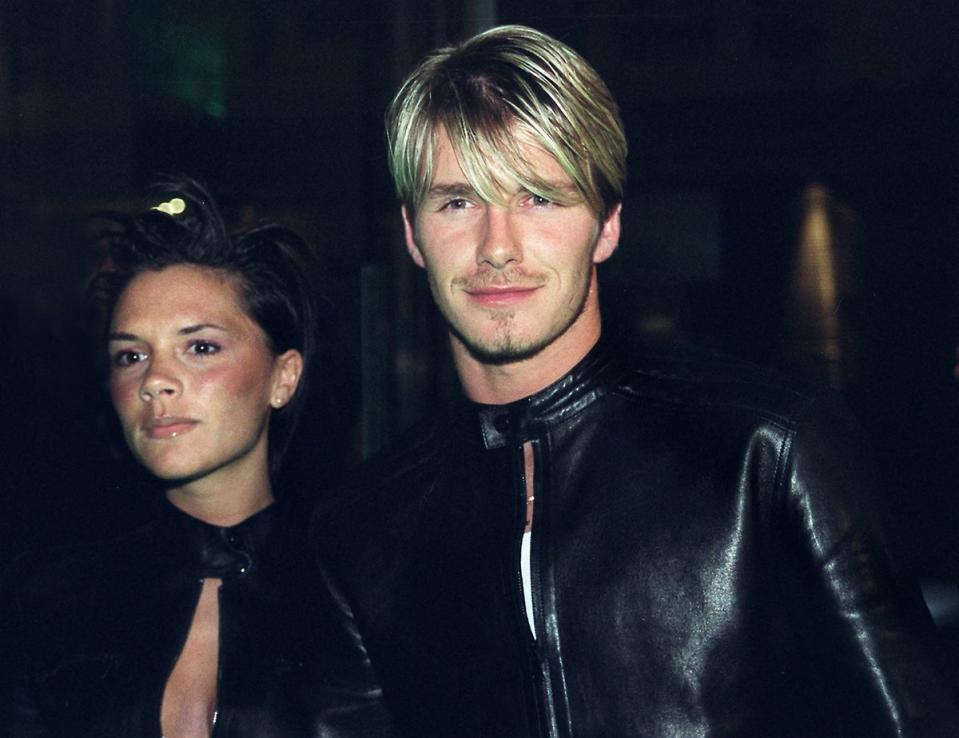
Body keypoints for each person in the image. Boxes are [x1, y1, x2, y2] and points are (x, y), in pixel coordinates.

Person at [313, 25, 959, 737]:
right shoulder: (362, 530)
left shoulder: (765, 452)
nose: (497, 247)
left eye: (538, 198)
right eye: (458, 202)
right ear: (411, 233)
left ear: (608, 225)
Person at [0, 179, 393, 737]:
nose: (155, 380)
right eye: (131, 354)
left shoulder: (369, 591)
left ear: (283, 378)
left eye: (201, 347)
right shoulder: (45, 598)